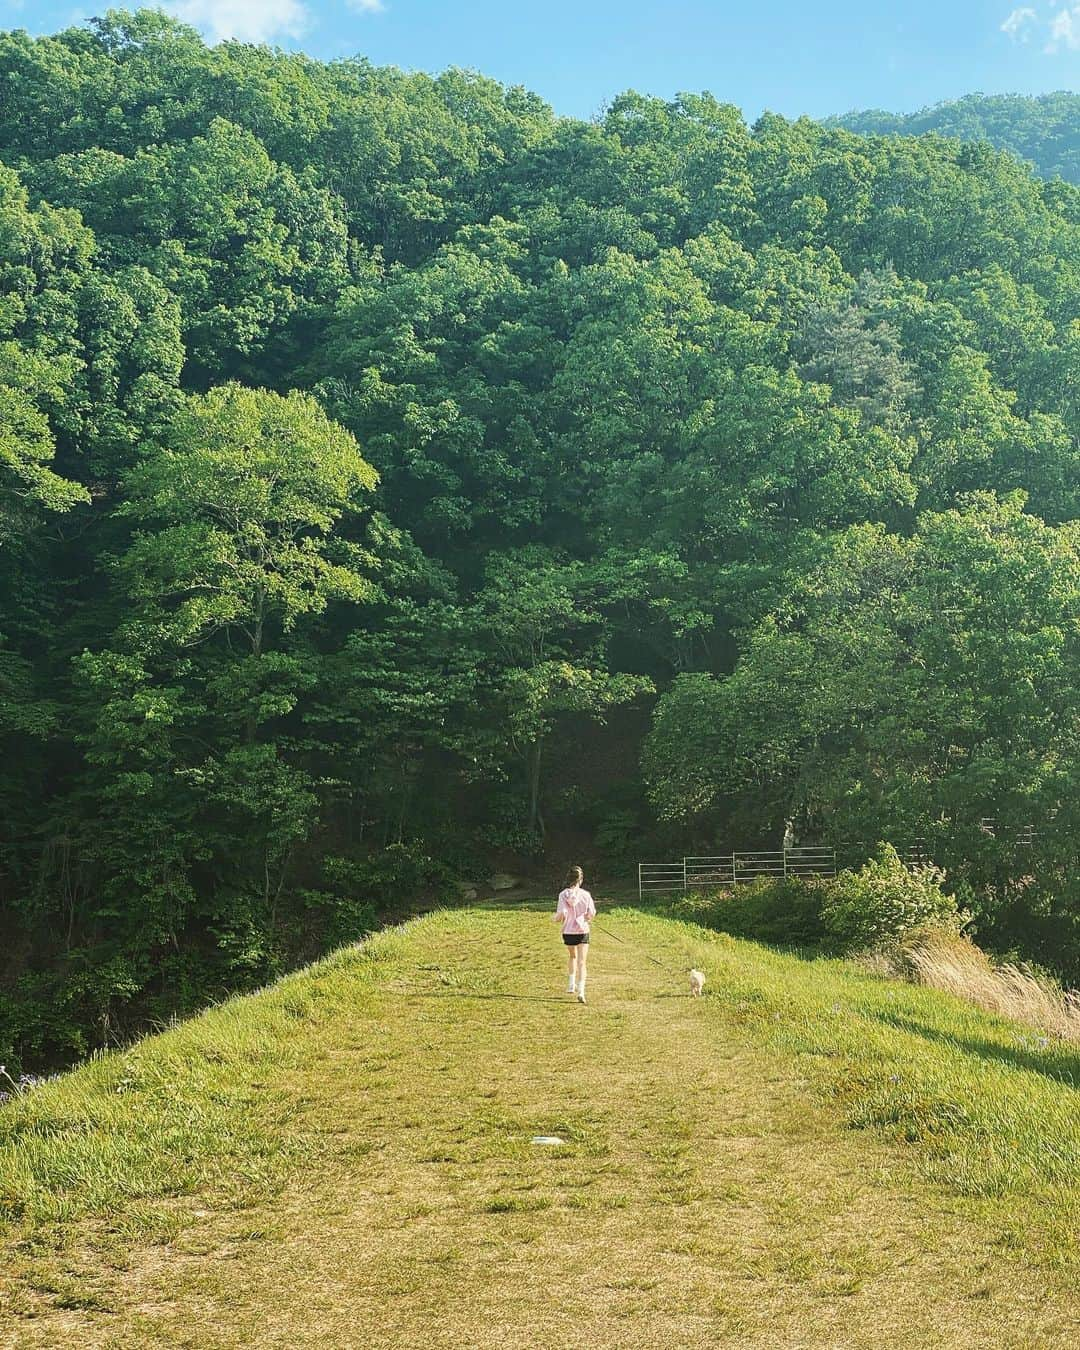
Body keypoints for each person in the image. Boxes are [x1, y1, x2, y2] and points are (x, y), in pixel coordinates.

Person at [553, 865, 595, 1004]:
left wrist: (554, 919)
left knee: (572, 956)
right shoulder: (586, 895)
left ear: (569, 879)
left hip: (568, 932)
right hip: (582, 931)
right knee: (582, 962)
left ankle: (571, 985)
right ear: (580, 879)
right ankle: (581, 991)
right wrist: (587, 918)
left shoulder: (563, 895)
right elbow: (591, 913)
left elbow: (561, 914)